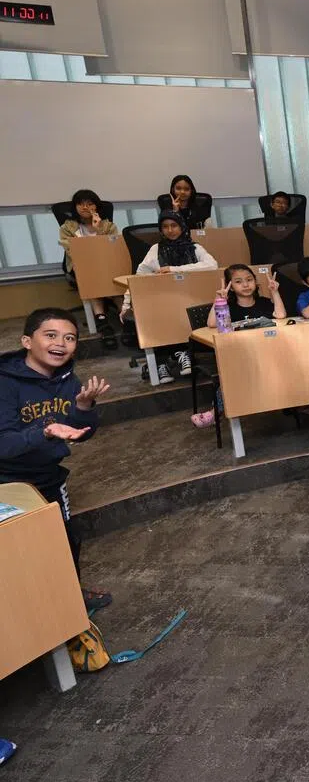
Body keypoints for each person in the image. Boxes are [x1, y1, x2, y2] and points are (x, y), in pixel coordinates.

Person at [0, 308, 111, 611]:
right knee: (20, 549)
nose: (61, 343)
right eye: (50, 335)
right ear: (27, 340)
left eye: (70, 337)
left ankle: (71, 598)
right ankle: (34, 610)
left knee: (65, 541)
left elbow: (82, 433)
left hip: (48, 475)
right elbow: (3, 444)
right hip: (7, 482)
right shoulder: (5, 383)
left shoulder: (68, 379)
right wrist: (45, 432)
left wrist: (84, 407)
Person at [120, 214, 218, 383]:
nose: (170, 230)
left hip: (189, 298)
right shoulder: (156, 249)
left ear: (182, 227)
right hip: (162, 301)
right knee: (158, 316)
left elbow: (212, 265)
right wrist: (126, 303)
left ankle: (182, 354)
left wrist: (173, 269)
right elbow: (138, 279)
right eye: (165, 226)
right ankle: (162, 362)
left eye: (174, 225)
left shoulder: (194, 247)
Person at [58, 188, 120, 349]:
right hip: (82, 267)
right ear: (75, 207)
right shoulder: (68, 227)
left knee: (117, 281)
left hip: (107, 265)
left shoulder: (108, 226)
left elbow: (113, 248)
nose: (85, 207)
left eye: (90, 203)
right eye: (81, 204)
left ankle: (126, 320)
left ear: (96, 206)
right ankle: (102, 321)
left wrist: (98, 230)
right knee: (90, 277)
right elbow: (71, 249)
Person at [207, 264, 285, 327]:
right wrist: (219, 299)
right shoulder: (228, 308)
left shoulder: (264, 302)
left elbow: (281, 315)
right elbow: (212, 324)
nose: (245, 285)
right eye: (238, 282)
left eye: (249, 280)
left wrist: (274, 292)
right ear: (231, 287)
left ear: (255, 281)